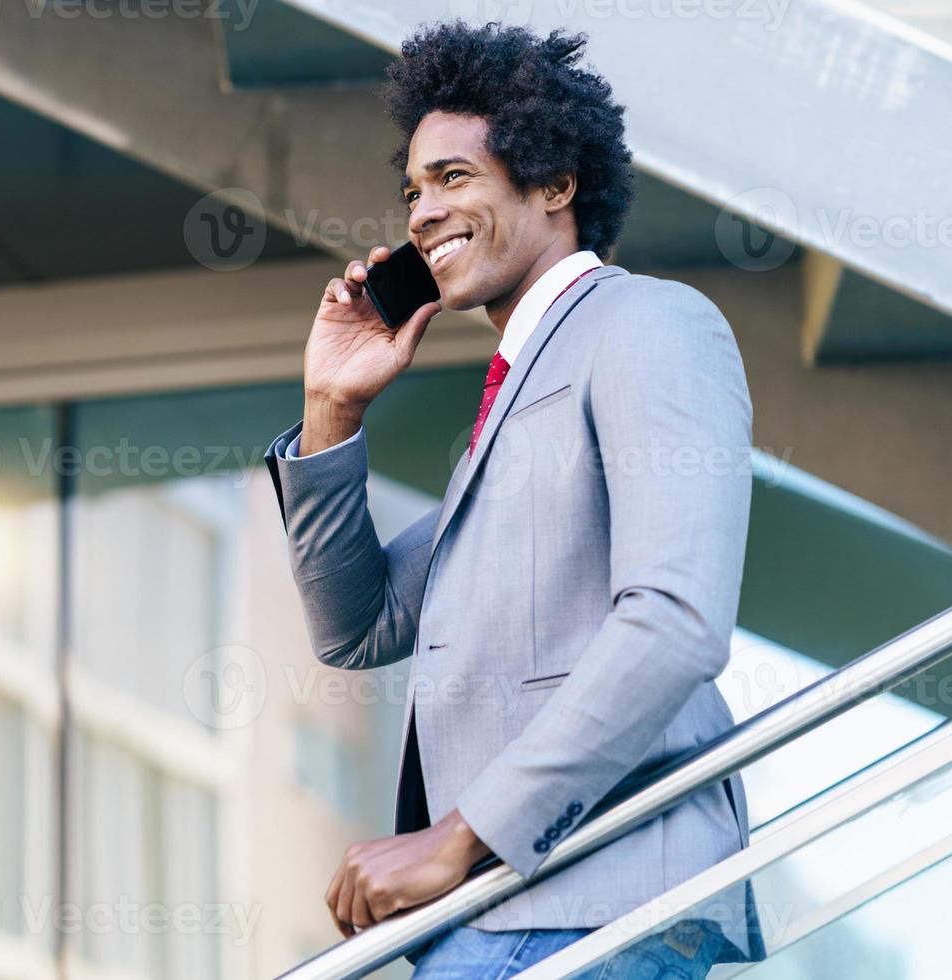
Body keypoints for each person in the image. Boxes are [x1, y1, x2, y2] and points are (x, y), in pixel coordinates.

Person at [261, 21, 767, 978]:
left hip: (591, 894)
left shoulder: (647, 323)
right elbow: (356, 626)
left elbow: (675, 620)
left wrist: (459, 836)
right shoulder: (516, 400)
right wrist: (330, 406)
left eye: (454, 178)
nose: (421, 212)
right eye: (413, 189)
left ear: (554, 183)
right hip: (507, 908)